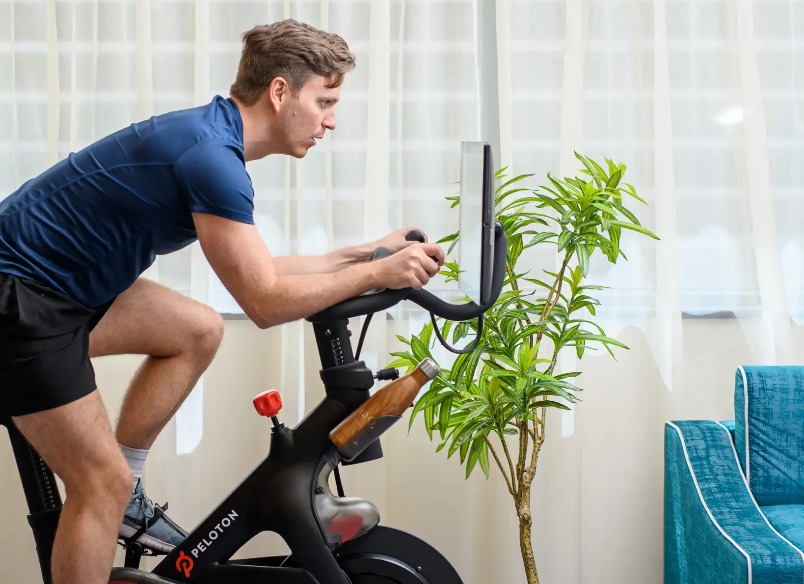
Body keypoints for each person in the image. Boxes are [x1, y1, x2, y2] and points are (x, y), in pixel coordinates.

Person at [0, 18, 444, 584]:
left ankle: (126, 497)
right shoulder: (211, 159)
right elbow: (265, 301)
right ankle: (116, 493)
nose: (332, 119)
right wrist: (378, 273)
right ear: (280, 92)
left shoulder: (211, 140)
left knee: (196, 329)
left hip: (64, 291)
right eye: (325, 100)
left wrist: (365, 255)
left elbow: (259, 272)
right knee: (97, 484)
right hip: (20, 304)